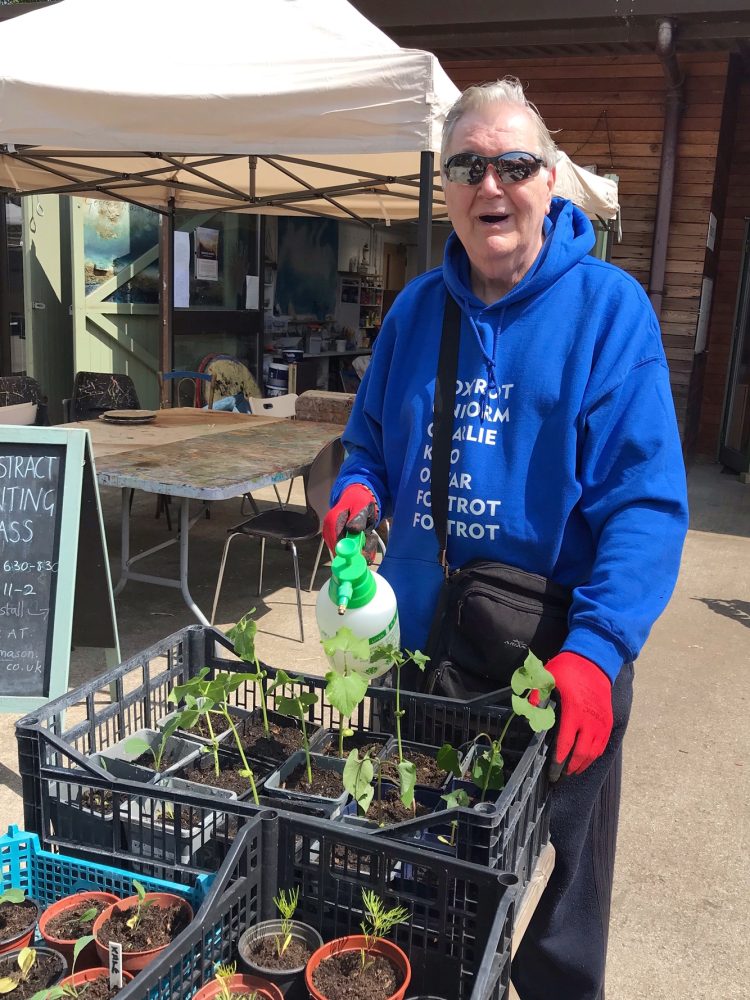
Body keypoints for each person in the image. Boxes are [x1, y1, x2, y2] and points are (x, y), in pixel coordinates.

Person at [322, 77, 688, 1000]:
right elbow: (368, 439)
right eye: (469, 165)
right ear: (446, 187)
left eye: (514, 164)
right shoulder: (413, 313)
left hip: (557, 657)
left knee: (566, 902)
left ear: (551, 180)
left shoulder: (611, 314)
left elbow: (644, 505)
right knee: (421, 878)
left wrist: (599, 655)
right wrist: (359, 487)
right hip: (427, 648)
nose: (493, 184)